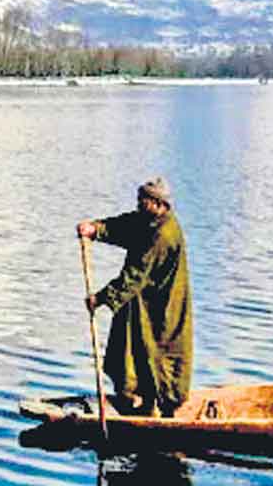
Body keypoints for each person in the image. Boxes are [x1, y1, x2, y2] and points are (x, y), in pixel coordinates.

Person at [76, 177, 192, 418]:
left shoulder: (163, 235)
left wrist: (101, 298)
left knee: (156, 352)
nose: (139, 204)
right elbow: (126, 226)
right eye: (139, 199)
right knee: (133, 346)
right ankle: (137, 399)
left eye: (144, 200)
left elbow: (136, 274)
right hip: (142, 300)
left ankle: (155, 406)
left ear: (158, 204)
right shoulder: (148, 221)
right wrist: (96, 229)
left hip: (162, 306)